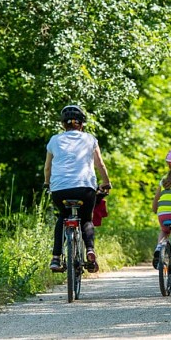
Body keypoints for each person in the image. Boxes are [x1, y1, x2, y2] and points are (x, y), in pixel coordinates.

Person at [44, 104, 112, 273]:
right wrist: (106, 182)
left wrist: (47, 183)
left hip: (60, 189)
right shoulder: (90, 139)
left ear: (62, 124)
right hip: (85, 188)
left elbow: (47, 168)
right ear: (81, 124)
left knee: (63, 217)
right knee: (86, 219)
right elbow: (100, 164)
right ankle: (90, 249)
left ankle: (56, 257)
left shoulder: (54, 140)